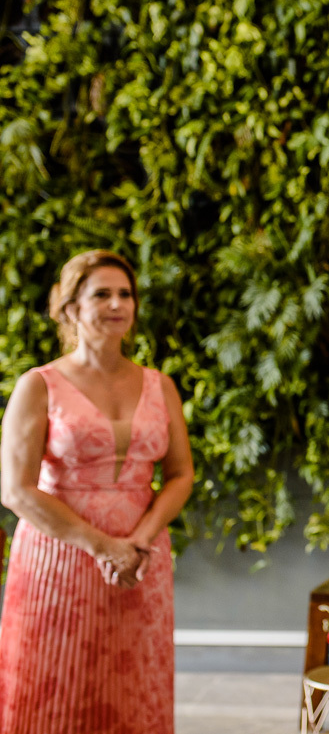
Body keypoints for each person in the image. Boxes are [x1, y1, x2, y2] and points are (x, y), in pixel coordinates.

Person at [0, 250, 195, 733]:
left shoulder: (160, 386)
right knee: (52, 687)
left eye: (125, 294)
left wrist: (140, 541)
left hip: (140, 562)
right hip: (59, 560)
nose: (116, 304)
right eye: (102, 294)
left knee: (134, 687)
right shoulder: (38, 385)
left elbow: (180, 474)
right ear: (70, 308)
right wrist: (103, 546)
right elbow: (16, 490)